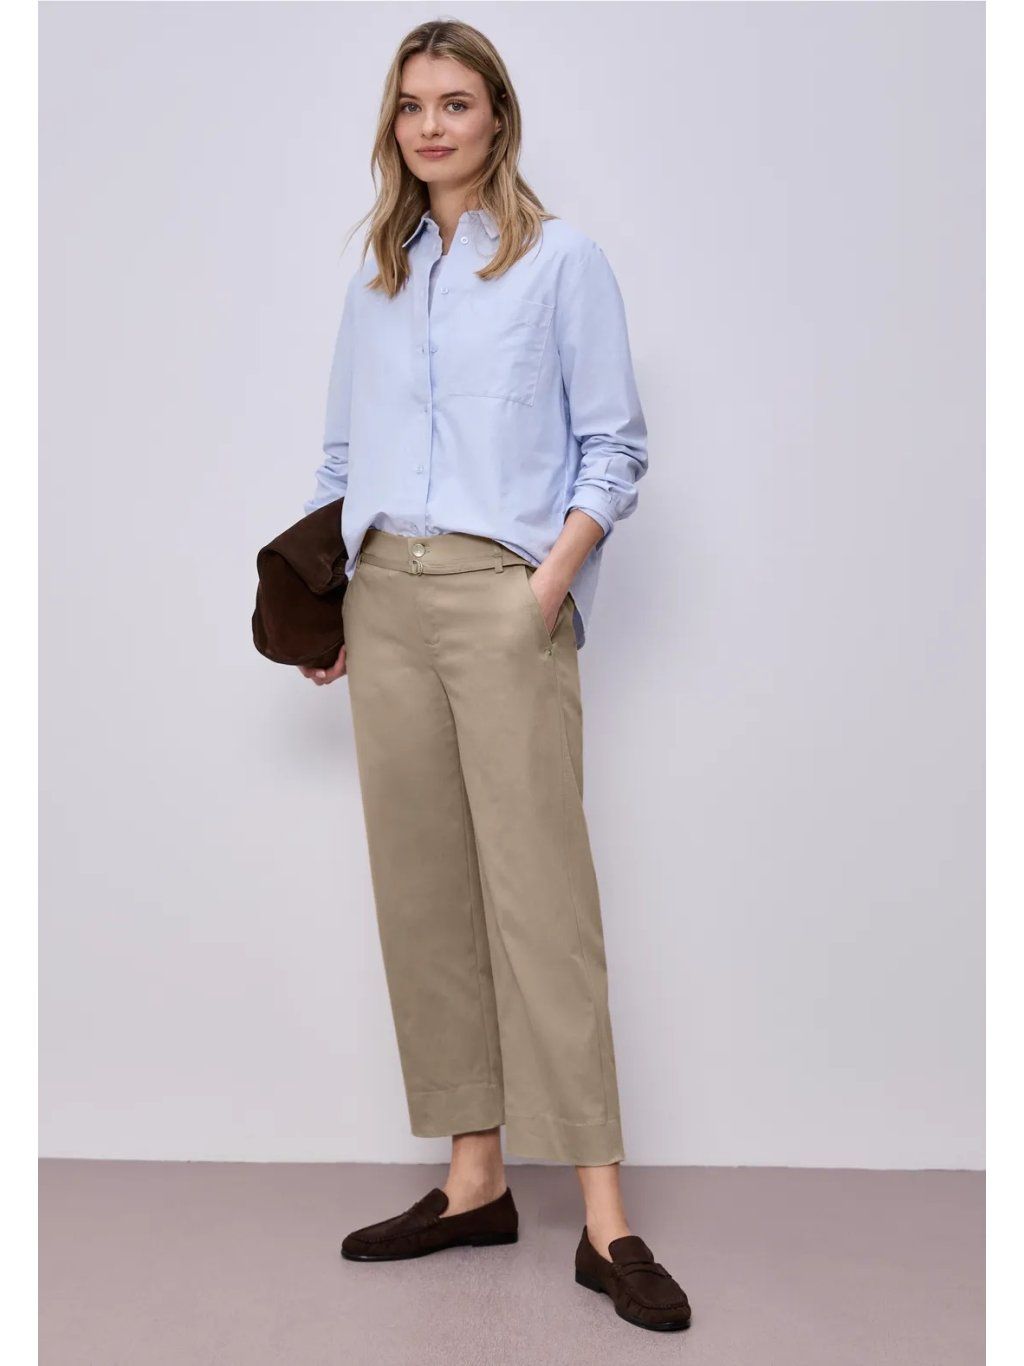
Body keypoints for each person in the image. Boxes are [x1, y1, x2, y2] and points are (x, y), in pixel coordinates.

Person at [299, 19, 691, 1333]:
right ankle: (473, 1181)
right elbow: (341, 455)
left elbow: (614, 447)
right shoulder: (379, 276)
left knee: (542, 900)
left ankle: (606, 1221)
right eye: (412, 105)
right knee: (423, 891)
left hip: (500, 593)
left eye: (455, 102)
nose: (431, 126)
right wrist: (329, 598)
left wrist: (543, 586)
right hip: (384, 600)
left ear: (497, 119)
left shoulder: (562, 262)